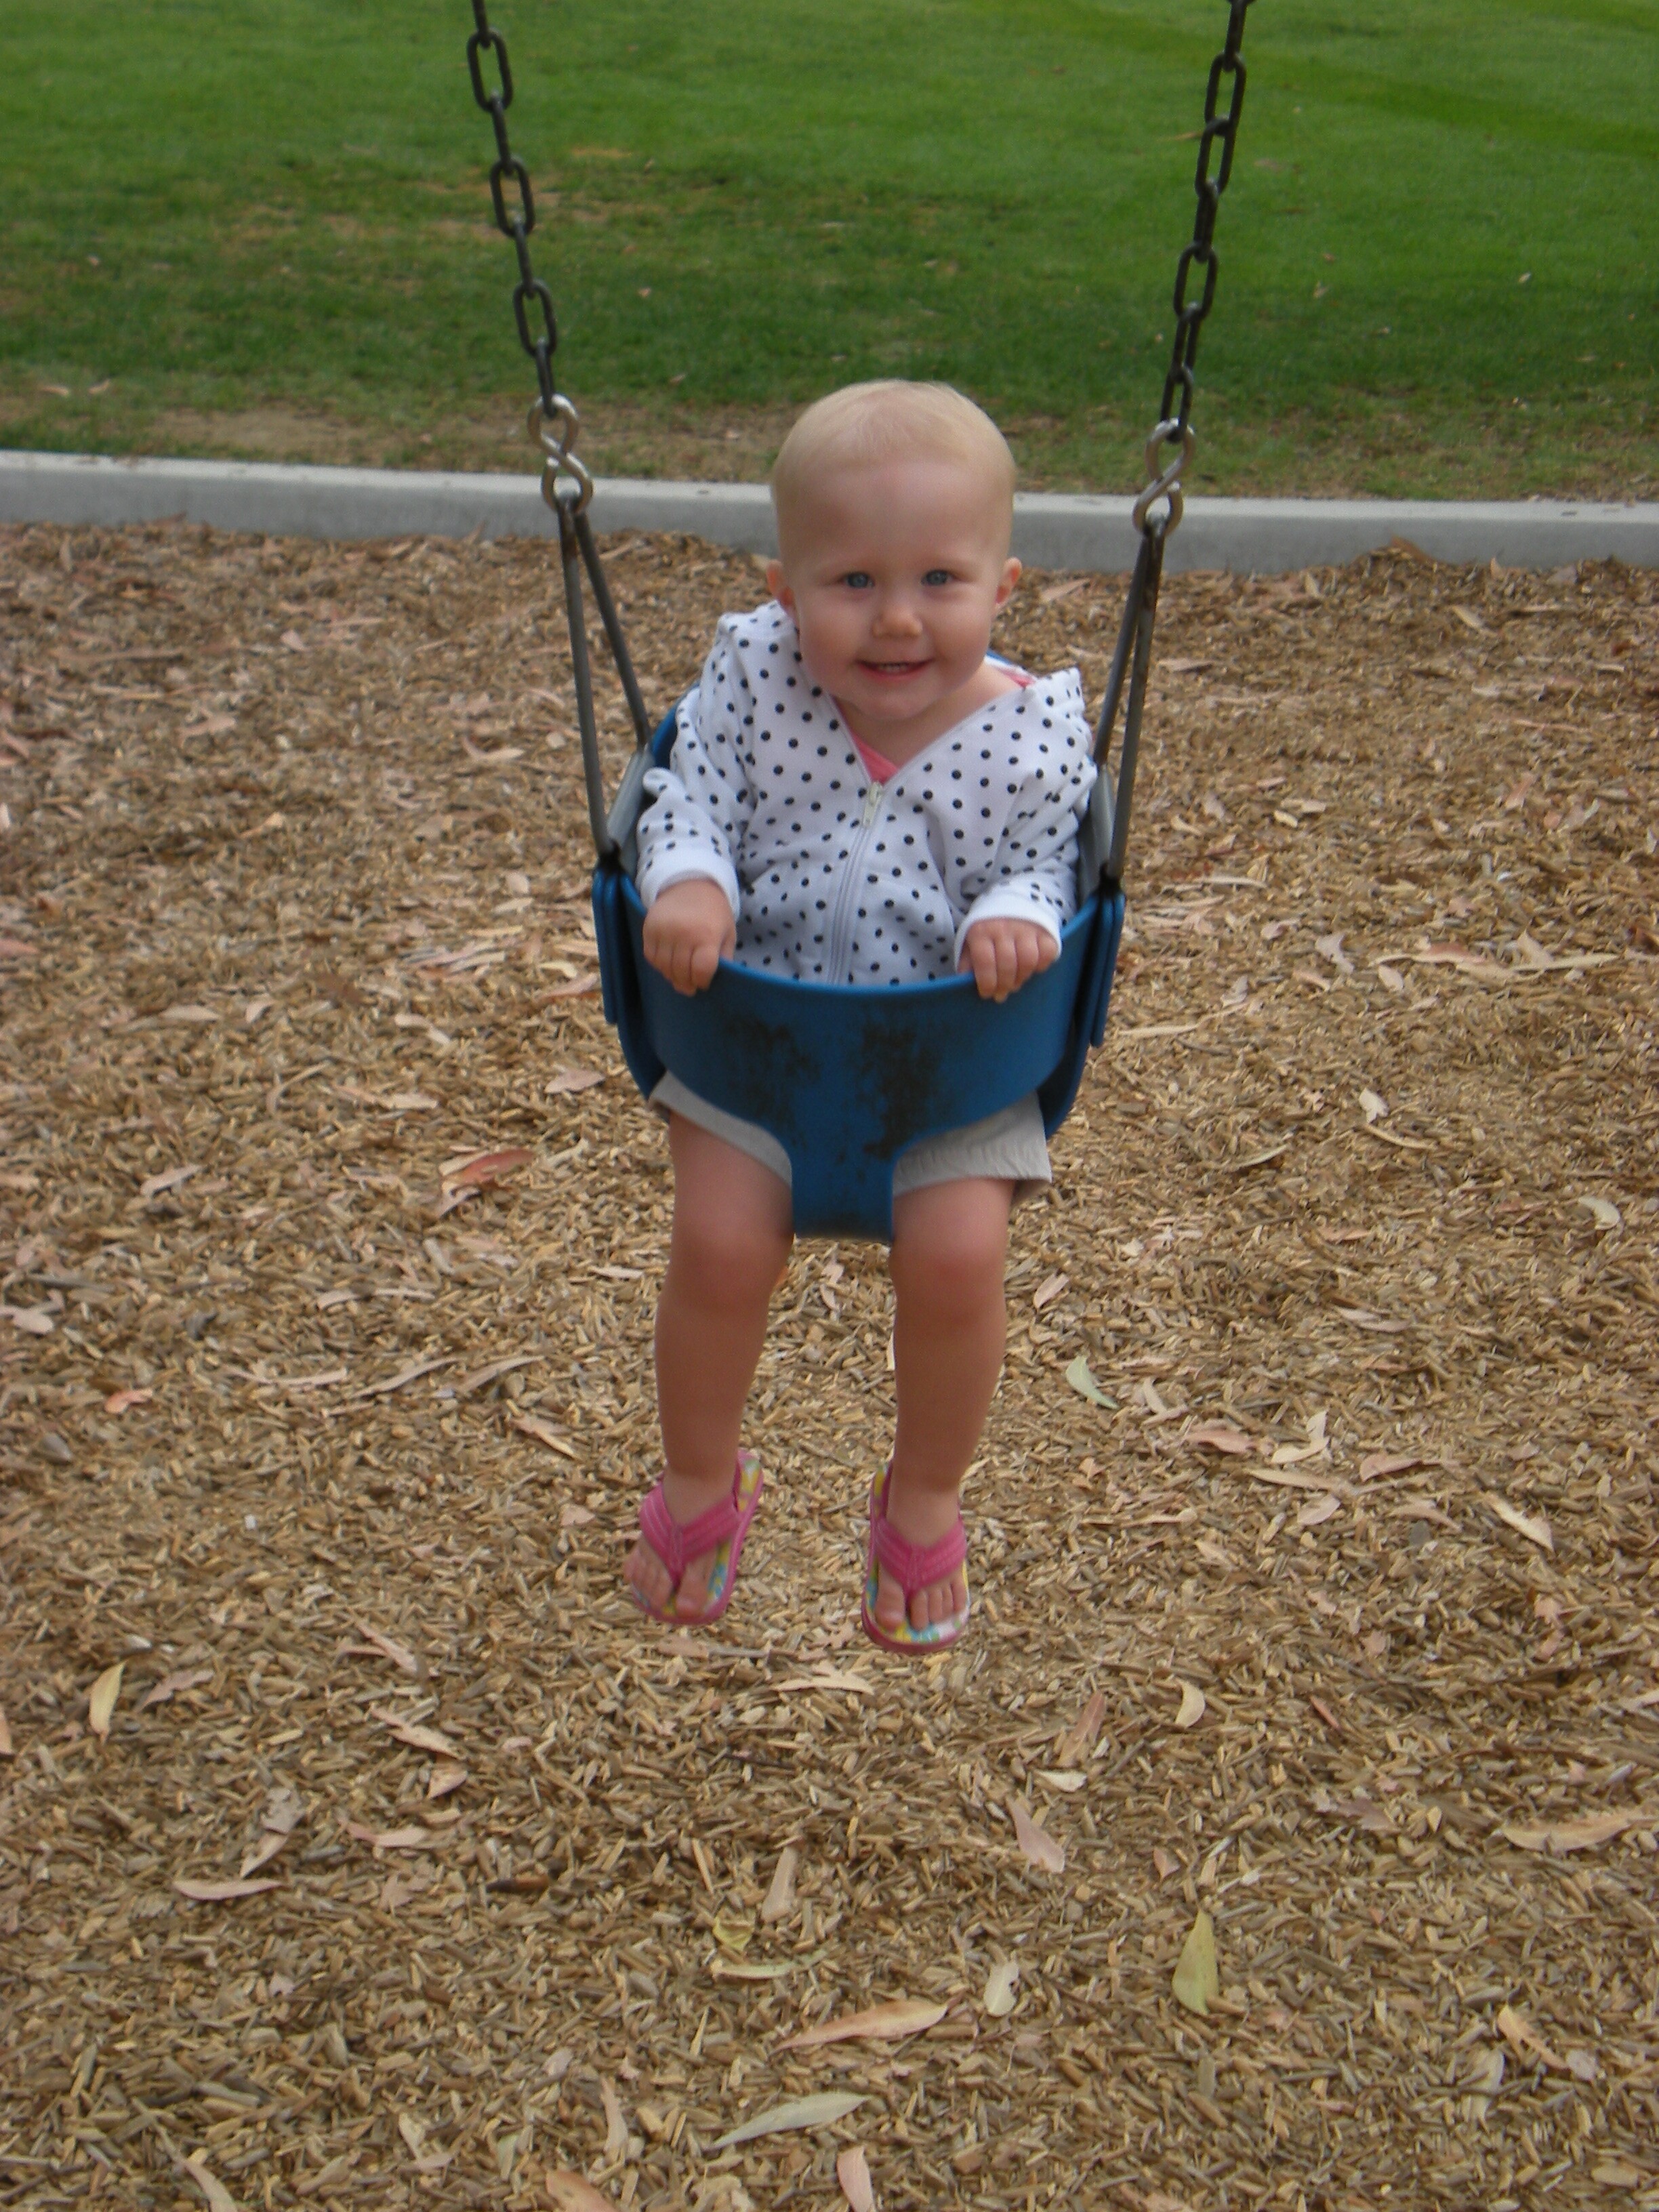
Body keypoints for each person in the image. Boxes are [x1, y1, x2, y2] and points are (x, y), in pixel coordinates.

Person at [623, 380, 1094, 1652]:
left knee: (959, 1260)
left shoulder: (1034, 735)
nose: (895, 618)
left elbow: (1051, 860)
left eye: (939, 579)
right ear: (785, 589)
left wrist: (1017, 914)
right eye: (852, 582)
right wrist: (691, 881)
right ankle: (699, 1485)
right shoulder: (751, 682)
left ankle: (925, 1501)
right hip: (757, 1046)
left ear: (1003, 585)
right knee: (719, 1246)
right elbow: (685, 794)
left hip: (948, 1061)